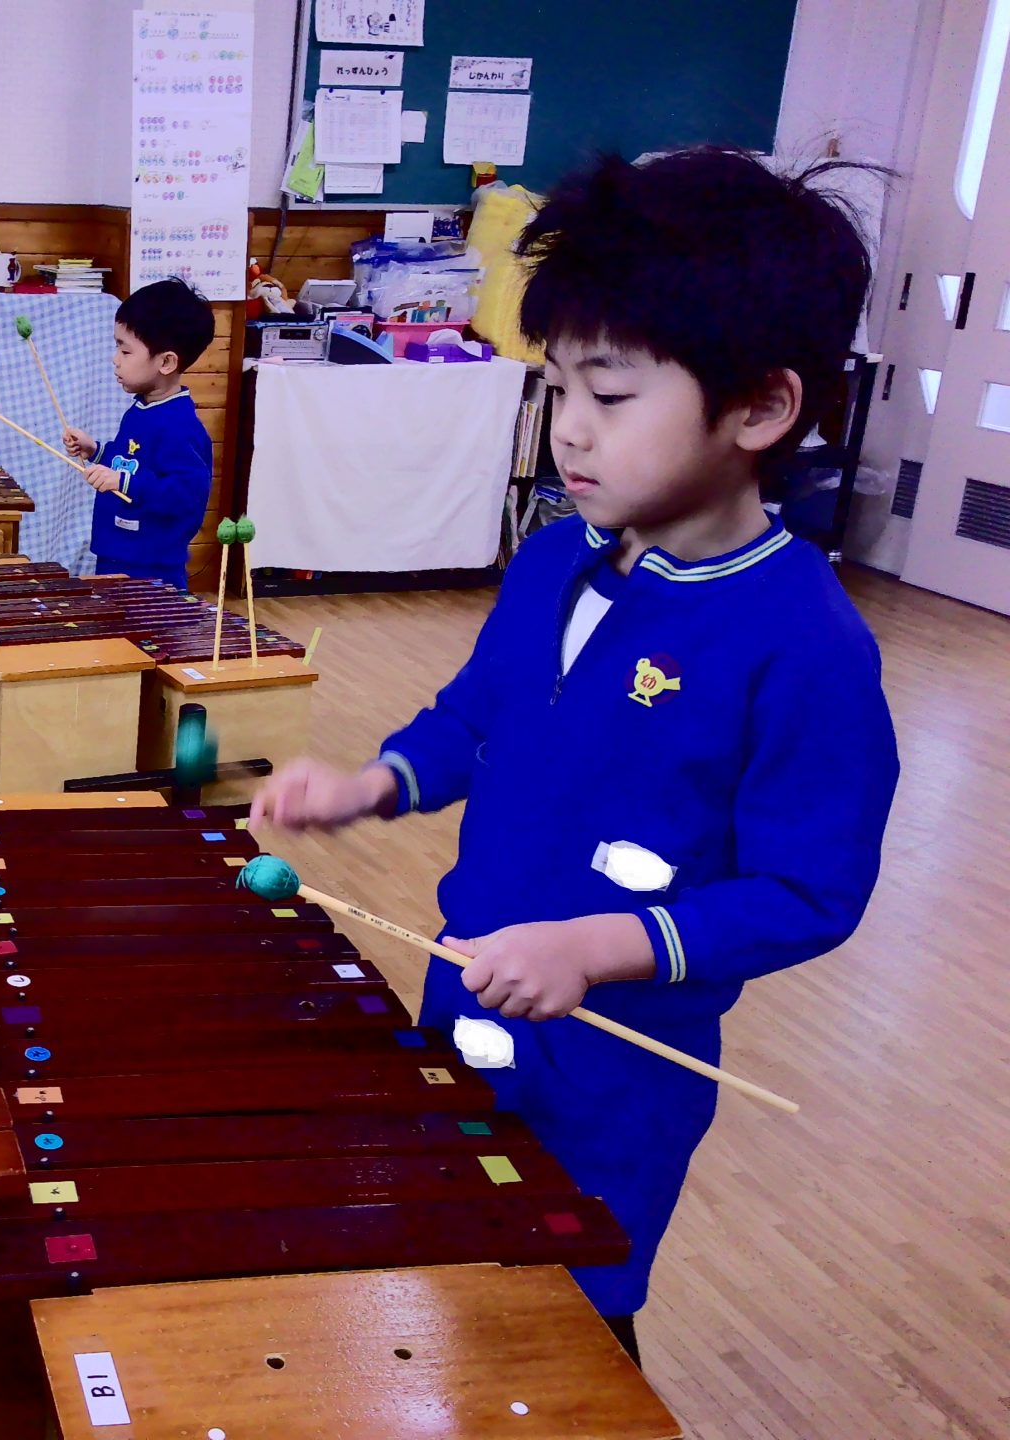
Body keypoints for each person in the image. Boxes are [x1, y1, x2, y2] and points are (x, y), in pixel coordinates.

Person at [249, 148, 901, 1363]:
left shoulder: (804, 642)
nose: (571, 431)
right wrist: (372, 783)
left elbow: (809, 891)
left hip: (618, 1063)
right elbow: (475, 718)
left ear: (761, 409)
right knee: (447, 1262)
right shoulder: (554, 560)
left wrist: (595, 948)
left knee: (570, 1323)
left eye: (611, 395)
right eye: (557, 390)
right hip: (466, 985)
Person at [61, 277, 216, 590]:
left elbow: (187, 495)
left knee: (147, 625)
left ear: (166, 362)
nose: (115, 359)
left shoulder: (179, 426)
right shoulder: (142, 408)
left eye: (125, 350)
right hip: (116, 553)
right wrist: (96, 451)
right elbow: (133, 461)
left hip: (150, 568)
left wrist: (123, 483)